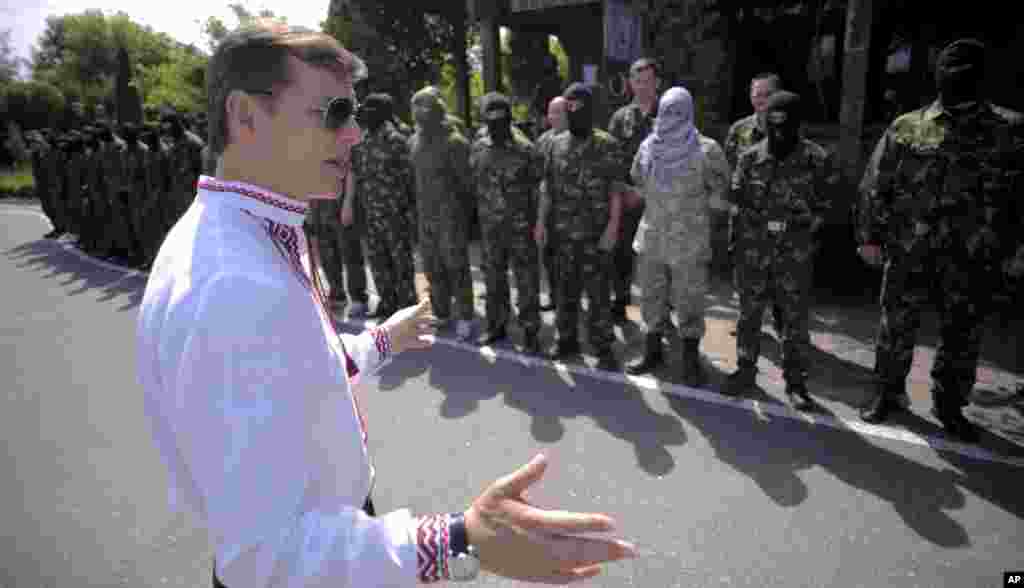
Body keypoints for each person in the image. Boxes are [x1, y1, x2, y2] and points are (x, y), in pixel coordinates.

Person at [137, 19, 636, 588]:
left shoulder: (239, 235)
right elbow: (266, 558)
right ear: (245, 117)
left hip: (332, 535)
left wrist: (382, 341)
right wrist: (459, 539)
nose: (352, 135)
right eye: (332, 114)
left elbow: (297, 371)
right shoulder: (235, 287)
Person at [856, 38, 1024, 441]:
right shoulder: (908, 125)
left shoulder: (1009, 130)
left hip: (973, 253)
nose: (956, 79)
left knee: (962, 334)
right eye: (950, 71)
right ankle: (888, 394)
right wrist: (870, 237)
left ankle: (950, 406)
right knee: (895, 327)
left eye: (966, 72)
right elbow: (876, 184)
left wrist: (1017, 248)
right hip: (910, 249)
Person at [727, 91, 838, 410]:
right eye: (771, 123)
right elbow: (737, 203)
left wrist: (807, 235)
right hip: (753, 254)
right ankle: (745, 371)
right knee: (748, 316)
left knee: (793, 321)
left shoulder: (816, 159)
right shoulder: (749, 158)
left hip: (794, 256)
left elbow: (829, 206)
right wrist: (735, 246)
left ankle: (795, 382)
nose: (778, 131)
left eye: (784, 124)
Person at [625, 87, 731, 385]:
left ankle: (690, 361)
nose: (671, 117)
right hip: (653, 239)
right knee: (651, 298)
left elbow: (722, 193)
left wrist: (697, 216)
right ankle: (652, 352)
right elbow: (637, 179)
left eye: (678, 111)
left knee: (690, 302)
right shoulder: (648, 147)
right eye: (667, 110)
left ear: (689, 112)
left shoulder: (707, 150)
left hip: (689, 241)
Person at [535, 83, 626, 371]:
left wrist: (613, 227)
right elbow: (547, 187)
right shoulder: (555, 144)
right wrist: (540, 222)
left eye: (578, 107)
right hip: (563, 233)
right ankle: (567, 340)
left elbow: (615, 190)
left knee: (599, 294)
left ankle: (603, 347)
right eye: (568, 107)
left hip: (596, 234)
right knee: (565, 291)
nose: (573, 113)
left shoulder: (607, 145)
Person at [470, 92, 543, 353]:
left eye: (501, 119)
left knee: (526, 280)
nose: (496, 125)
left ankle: (531, 330)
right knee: (493, 278)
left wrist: (539, 225)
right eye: (491, 119)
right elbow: (475, 183)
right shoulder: (479, 146)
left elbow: (538, 190)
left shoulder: (525, 149)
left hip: (521, 227)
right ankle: (496, 326)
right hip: (490, 227)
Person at [408, 85, 476, 341]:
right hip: (425, 216)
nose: (418, 113)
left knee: (457, 267)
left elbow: (467, 184)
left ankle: (466, 316)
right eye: (416, 107)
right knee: (433, 268)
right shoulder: (414, 142)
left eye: (423, 106)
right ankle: (442, 312)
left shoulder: (454, 142)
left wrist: (464, 218)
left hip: (451, 217)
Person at [724, 72, 786, 334]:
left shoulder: (788, 127)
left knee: (780, 272)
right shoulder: (739, 130)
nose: (760, 100)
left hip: (778, 215)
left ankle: (783, 323)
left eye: (766, 94)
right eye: (756, 94)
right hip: (745, 217)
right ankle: (748, 321)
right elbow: (727, 169)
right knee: (743, 271)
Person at [352, 92, 419, 318]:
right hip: (372, 213)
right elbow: (360, 178)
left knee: (401, 261)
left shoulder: (396, 141)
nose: (366, 115)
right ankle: (387, 301)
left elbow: (410, 180)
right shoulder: (363, 142)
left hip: (395, 213)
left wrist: (409, 212)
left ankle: (407, 305)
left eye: (371, 111)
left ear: (382, 114)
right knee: (378, 261)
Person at [607, 57, 660, 324]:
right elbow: (612, 161)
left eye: (647, 81)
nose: (641, 86)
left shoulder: (669, 113)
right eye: (637, 81)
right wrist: (625, 191)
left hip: (662, 200)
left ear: (657, 83)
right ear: (630, 83)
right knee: (622, 251)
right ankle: (620, 298)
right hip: (629, 198)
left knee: (661, 255)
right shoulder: (620, 118)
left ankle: (663, 306)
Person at [535, 95, 569, 312]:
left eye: (558, 112)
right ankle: (555, 297)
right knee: (549, 257)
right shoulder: (543, 141)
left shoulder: (575, 138)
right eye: (551, 112)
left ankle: (569, 301)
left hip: (571, 212)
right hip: (548, 209)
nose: (553, 116)